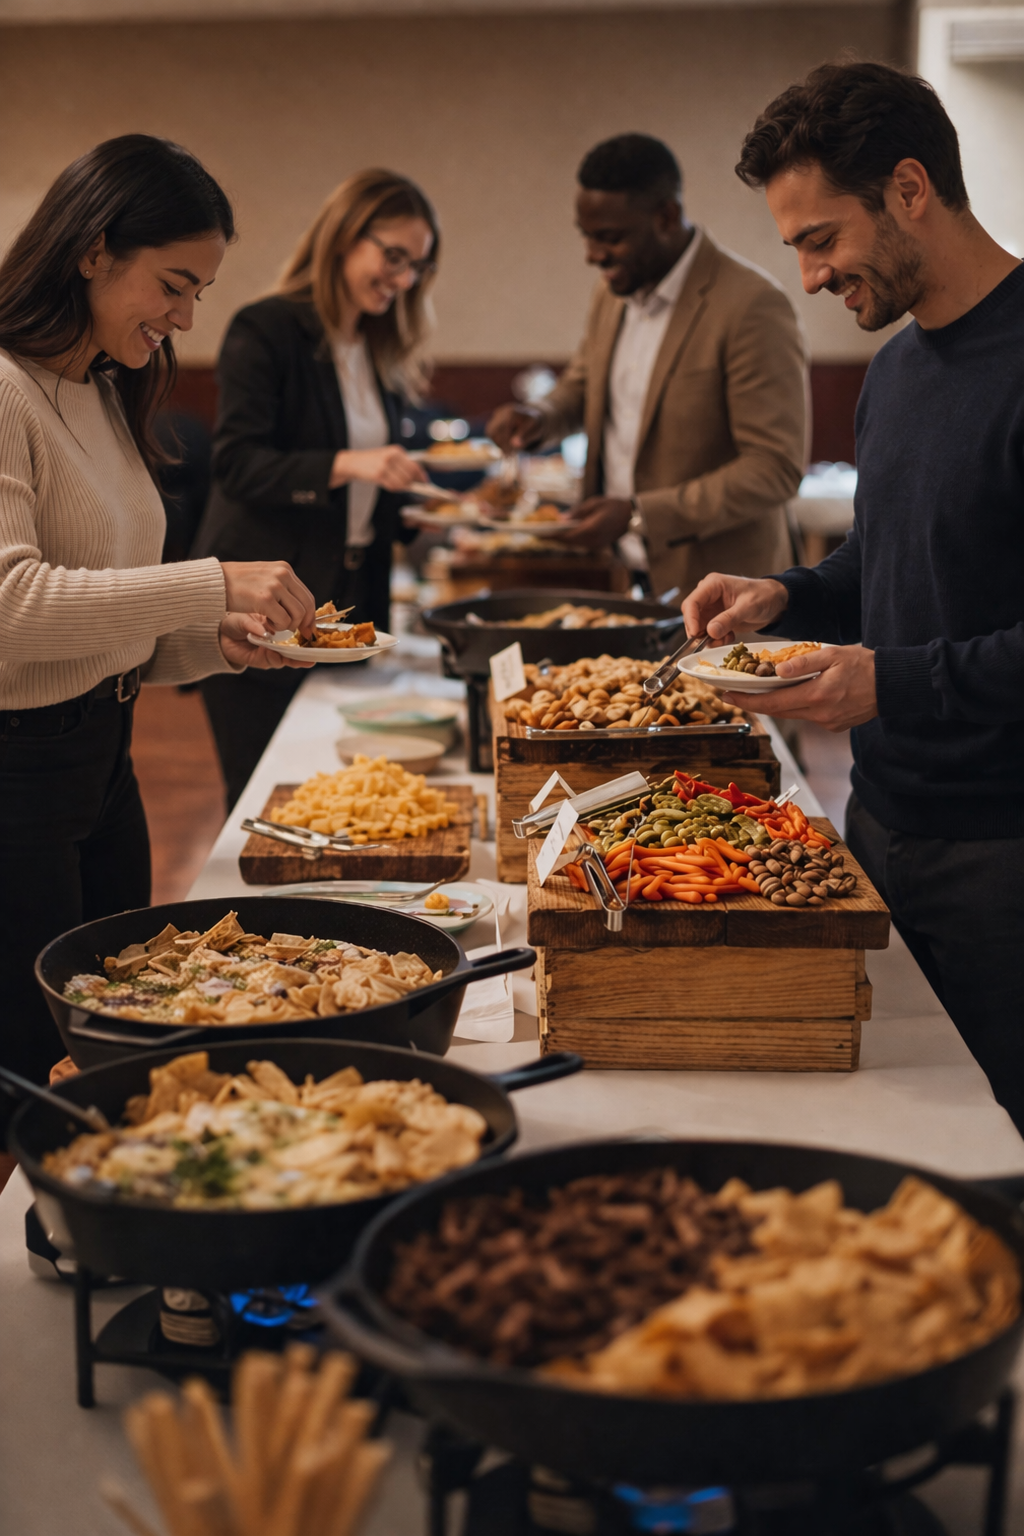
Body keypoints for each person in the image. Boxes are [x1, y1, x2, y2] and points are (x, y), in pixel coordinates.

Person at [682, 62, 1024, 1132]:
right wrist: (782, 597)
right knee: (897, 1141)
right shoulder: (900, 371)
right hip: (875, 827)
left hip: (1001, 858)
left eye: (819, 238)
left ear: (910, 190)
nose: (809, 275)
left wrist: (892, 681)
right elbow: (888, 566)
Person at [0, 135, 317, 1121]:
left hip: (103, 758)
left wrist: (206, 641)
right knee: (35, 1063)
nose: (184, 318)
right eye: (173, 285)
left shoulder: (97, 385)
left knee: (118, 1033)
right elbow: (12, 608)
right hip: (17, 777)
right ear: (94, 250)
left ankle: (104, 1239)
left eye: (198, 295)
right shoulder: (5, 389)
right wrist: (207, 583)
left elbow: (107, 599)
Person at [192, 169, 438, 809]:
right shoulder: (267, 329)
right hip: (264, 602)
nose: (404, 278)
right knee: (265, 799)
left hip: (350, 597)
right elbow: (239, 464)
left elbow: (363, 493)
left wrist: (419, 515)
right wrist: (352, 464)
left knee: (338, 793)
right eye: (393, 256)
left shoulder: (375, 346)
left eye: (416, 265)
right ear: (344, 238)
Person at [487, 133, 807, 594]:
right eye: (588, 236)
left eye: (610, 238)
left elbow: (774, 468)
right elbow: (584, 384)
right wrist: (541, 416)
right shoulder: (612, 293)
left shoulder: (751, 306)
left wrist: (639, 513)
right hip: (623, 578)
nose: (593, 255)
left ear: (666, 217)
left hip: (724, 593)